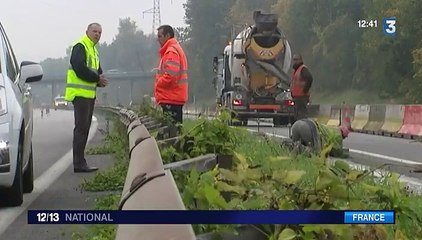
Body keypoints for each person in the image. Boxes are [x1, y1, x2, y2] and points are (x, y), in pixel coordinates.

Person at [65, 23, 108, 173]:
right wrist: (97, 79)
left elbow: (97, 70)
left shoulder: (93, 50)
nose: (97, 34)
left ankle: (80, 161)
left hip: (89, 95)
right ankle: (79, 163)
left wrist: (100, 79)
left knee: (84, 128)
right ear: (87, 32)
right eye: (94, 31)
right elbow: (79, 67)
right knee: (81, 129)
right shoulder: (80, 46)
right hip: (80, 94)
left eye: (99, 32)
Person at [154, 25, 189, 126]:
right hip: (174, 98)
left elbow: (171, 76)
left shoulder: (171, 52)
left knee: (171, 131)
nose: (158, 39)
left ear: (167, 35)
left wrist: (158, 83)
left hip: (171, 99)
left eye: (160, 36)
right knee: (174, 131)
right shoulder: (175, 49)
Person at [290, 54, 313, 120]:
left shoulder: (303, 69)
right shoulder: (296, 70)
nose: (295, 61)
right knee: (297, 115)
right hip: (297, 96)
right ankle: (299, 128)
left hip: (302, 96)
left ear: (301, 60)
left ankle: (303, 128)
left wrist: (305, 90)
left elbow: (309, 78)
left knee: (302, 115)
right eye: (294, 59)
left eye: (296, 59)